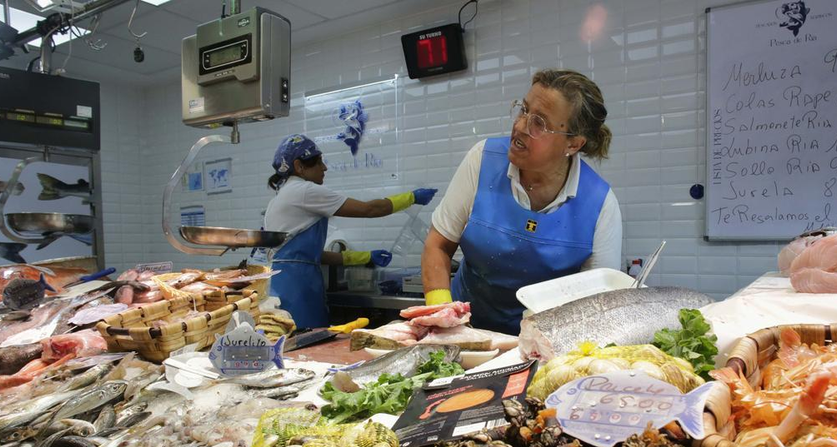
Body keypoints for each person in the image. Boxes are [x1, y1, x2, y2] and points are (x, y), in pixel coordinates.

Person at [423, 69, 621, 335]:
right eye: (524, 110)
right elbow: (438, 245)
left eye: (539, 122)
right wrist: (444, 319)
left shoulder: (600, 203)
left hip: (547, 342)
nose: (520, 126)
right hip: (466, 332)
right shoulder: (482, 160)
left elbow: (600, 303)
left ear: (573, 144)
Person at [265, 134, 437, 329]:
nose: (324, 168)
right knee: (305, 341)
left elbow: (313, 255)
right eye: (319, 162)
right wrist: (411, 198)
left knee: (293, 341)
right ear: (299, 166)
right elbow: (370, 209)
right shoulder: (304, 191)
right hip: (297, 288)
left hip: (285, 284)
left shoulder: (281, 197)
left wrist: (365, 257)